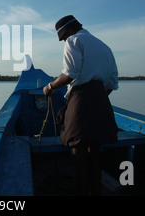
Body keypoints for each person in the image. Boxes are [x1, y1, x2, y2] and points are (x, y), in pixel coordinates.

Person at [43, 15, 119, 195]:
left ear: (68, 31)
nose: (64, 41)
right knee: (95, 150)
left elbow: (70, 74)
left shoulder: (73, 41)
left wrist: (50, 86)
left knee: (78, 148)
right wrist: (97, 96)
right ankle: (96, 191)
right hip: (102, 99)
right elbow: (112, 83)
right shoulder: (105, 47)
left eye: (63, 37)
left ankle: (82, 191)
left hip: (81, 99)